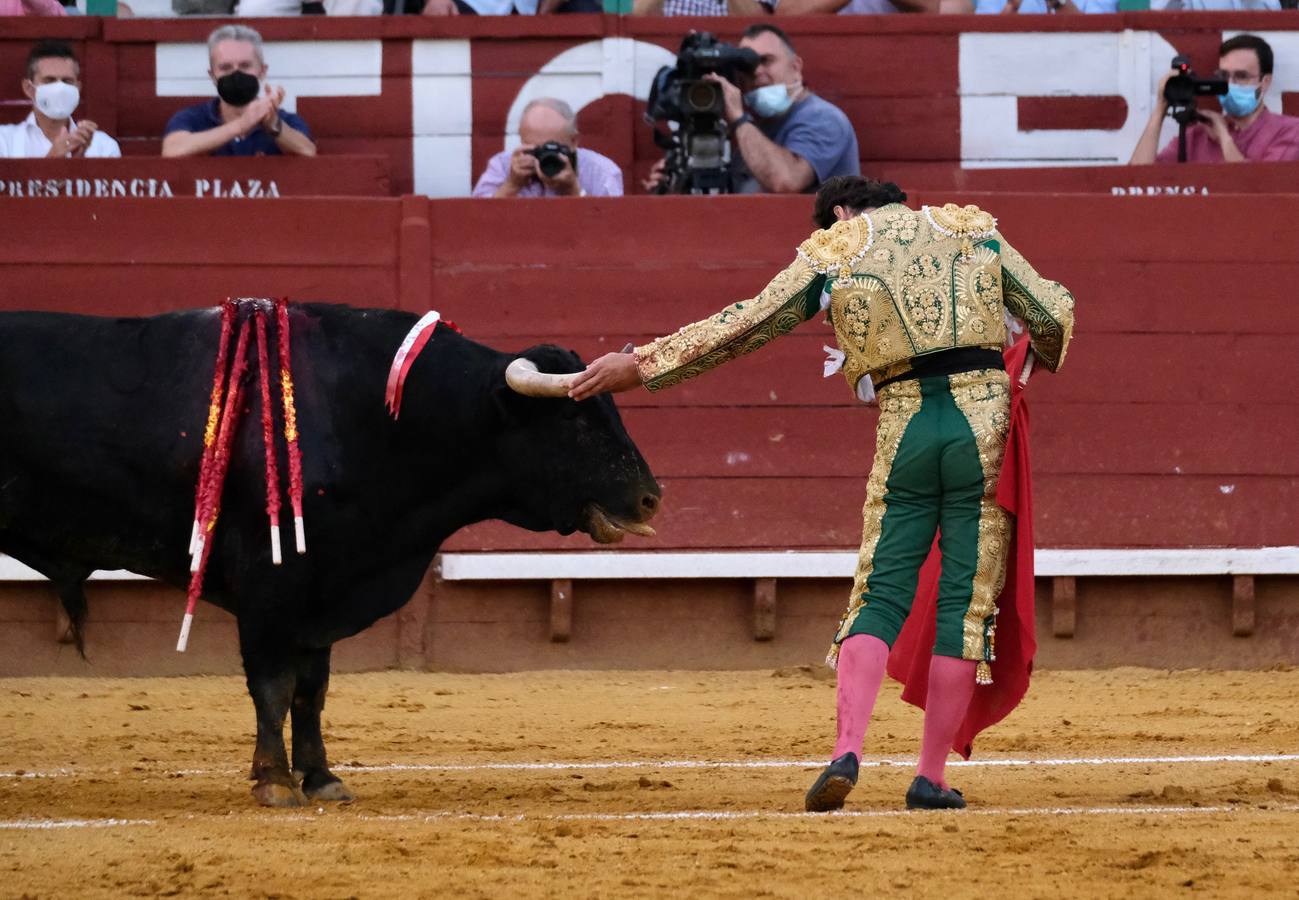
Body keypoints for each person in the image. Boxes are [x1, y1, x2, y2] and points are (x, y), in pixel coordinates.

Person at [569, 177, 1074, 811]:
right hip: (981, 422)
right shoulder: (972, 229)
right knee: (963, 607)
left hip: (906, 423)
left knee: (881, 589)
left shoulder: (835, 250)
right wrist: (1028, 360)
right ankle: (930, 777)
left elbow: (745, 324)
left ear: (838, 212)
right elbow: (1053, 312)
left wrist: (640, 365)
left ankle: (847, 750)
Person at [645, 25, 859, 194]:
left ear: (796, 67)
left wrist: (738, 118)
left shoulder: (823, 118)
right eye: (747, 67)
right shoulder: (755, 130)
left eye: (766, 61)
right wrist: (674, 184)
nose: (757, 72)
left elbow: (786, 181)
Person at [1130, 34, 1299, 165]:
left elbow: (1260, 191)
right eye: (1223, 76)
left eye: (1241, 76)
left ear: (1265, 82)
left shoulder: (1291, 131)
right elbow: (1134, 183)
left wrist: (1224, 138)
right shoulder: (1196, 136)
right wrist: (1161, 107)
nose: (1230, 84)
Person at [161, 25, 316, 159]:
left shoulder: (284, 119)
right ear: (212, 76)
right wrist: (242, 125)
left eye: (245, 65)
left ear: (262, 71)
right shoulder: (192, 118)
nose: (236, 74)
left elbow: (307, 150)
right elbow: (172, 149)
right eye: (225, 67)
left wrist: (272, 125)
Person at [472, 98, 623, 198]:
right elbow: (477, 221)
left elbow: (612, 228)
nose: (543, 157)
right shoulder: (503, 165)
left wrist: (574, 191)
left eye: (553, 148)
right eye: (534, 149)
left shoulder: (602, 171)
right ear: (522, 140)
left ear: (574, 141)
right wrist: (512, 184)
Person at [0, 40, 120, 160]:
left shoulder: (103, 146)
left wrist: (81, 165)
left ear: (77, 89)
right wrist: (52, 161)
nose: (59, 88)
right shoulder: (4, 142)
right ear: (28, 88)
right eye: (49, 80)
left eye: (67, 81)